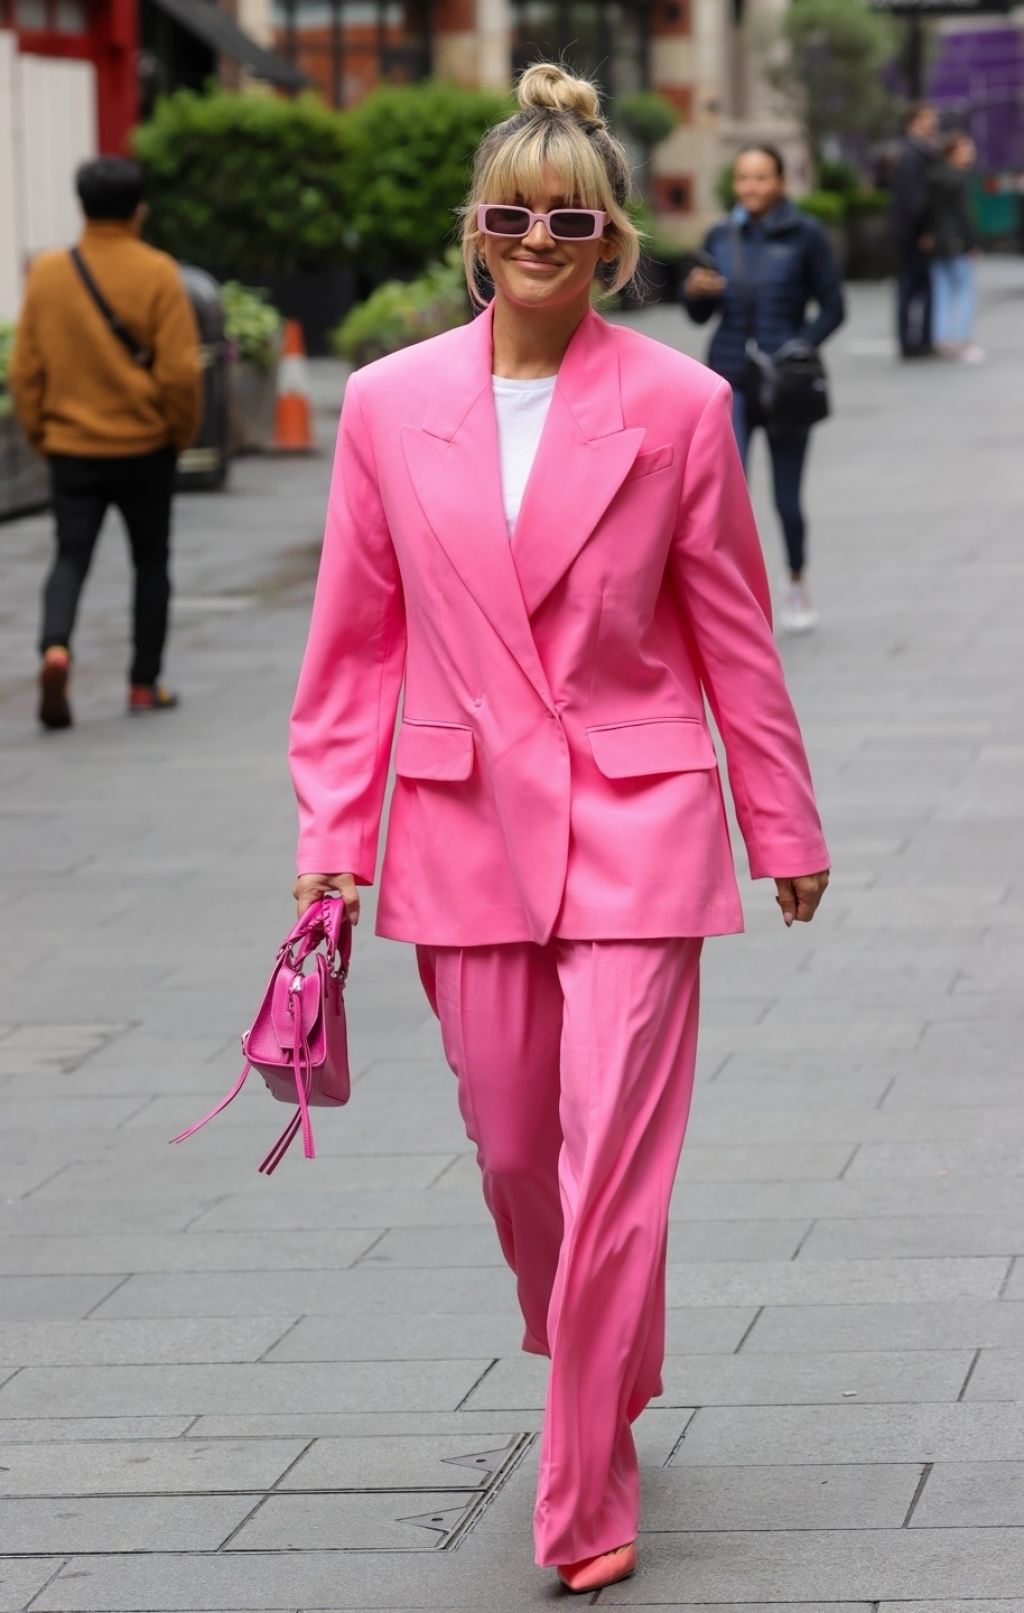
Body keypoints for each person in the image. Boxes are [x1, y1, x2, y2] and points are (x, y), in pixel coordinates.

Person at [289, 63, 829, 1596]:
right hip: (462, 826)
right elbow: (353, 643)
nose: (538, 234)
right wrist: (333, 825)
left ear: (611, 245)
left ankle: (585, 1485)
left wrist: (780, 819)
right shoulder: (390, 407)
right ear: (475, 229)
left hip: (643, 819)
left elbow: (733, 633)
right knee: (520, 1148)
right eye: (511, 210)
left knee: (611, 1172)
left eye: (569, 214)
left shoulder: (679, 407)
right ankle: (602, 1342)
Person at [10, 156, 202, 731]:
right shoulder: (157, 273)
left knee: (70, 555)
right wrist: (179, 432)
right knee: (150, 561)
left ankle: (55, 648)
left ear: (82, 207)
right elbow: (179, 375)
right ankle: (144, 682)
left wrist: (43, 433)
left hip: (72, 447)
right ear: (138, 208)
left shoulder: (47, 274)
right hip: (146, 447)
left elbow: (25, 372)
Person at [681, 145, 844, 635]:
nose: (751, 187)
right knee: (728, 497)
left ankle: (796, 581)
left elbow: (835, 307)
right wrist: (696, 294)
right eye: (743, 178)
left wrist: (799, 346)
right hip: (729, 380)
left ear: (780, 182)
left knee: (787, 497)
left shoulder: (806, 235)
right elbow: (699, 314)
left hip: (785, 384)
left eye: (761, 178)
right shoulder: (720, 235)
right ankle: (735, 599)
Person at [926, 131, 983, 363]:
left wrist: (927, 234)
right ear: (954, 152)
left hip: (938, 243)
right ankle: (961, 339)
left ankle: (941, 337)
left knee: (942, 291)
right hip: (957, 242)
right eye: (967, 149)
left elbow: (925, 210)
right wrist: (971, 244)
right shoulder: (958, 178)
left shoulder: (933, 176)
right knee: (963, 293)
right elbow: (963, 215)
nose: (971, 153)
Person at [889, 101, 940, 358]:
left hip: (911, 231)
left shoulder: (914, 151)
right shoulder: (911, 154)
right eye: (927, 118)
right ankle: (913, 342)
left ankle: (915, 340)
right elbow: (915, 198)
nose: (933, 122)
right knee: (913, 288)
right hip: (913, 234)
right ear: (913, 122)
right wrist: (924, 231)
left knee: (914, 288)